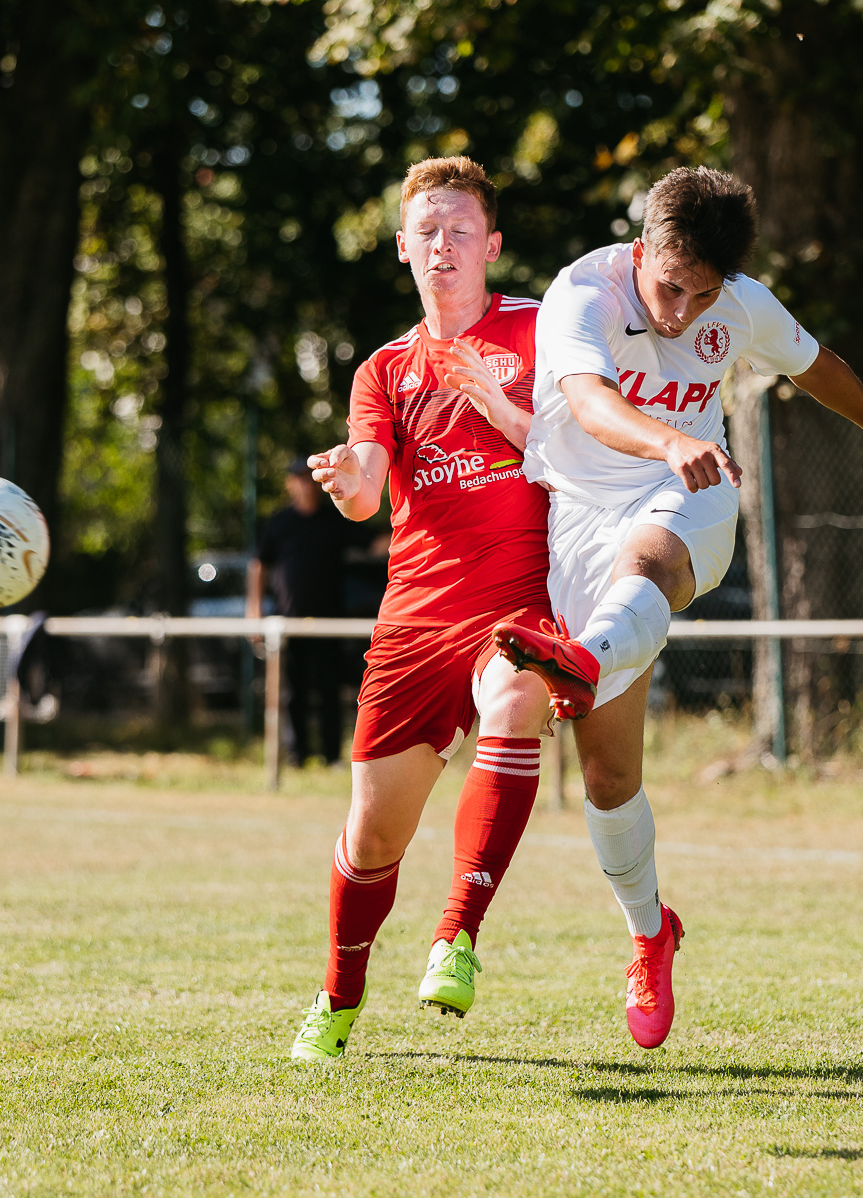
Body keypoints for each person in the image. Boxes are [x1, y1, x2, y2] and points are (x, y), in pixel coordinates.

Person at [493, 167, 863, 1049]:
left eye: (701, 295)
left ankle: (589, 656)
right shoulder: (580, 293)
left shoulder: (738, 302)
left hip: (695, 495)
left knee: (654, 557)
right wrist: (667, 437)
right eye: (670, 287)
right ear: (641, 254)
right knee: (608, 776)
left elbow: (814, 362)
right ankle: (649, 932)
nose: (681, 312)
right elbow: (591, 404)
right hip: (585, 520)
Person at [288, 157, 558, 1062]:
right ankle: (336, 997)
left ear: (493, 245)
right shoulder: (384, 369)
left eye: (460, 230)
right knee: (371, 840)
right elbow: (366, 491)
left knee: (518, 696)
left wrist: (513, 415)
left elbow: (590, 437)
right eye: (427, 231)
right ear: (403, 248)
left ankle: (457, 938)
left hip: (516, 601)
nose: (444, 245)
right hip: (414, 621)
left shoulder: (541, 333)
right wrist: (347, 478)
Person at [247, 460, 373, 766]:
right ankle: (297, 755)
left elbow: (373, 543)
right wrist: (254, 610)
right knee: (294, 692)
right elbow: (259, 564)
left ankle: (332, 756)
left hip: (330, 621)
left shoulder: (334, 520)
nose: (304, 485)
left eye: (308, 479)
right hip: (288, 621)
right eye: (298, 480)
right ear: (290, 484)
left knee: (329, 689)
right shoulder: (279, 523)